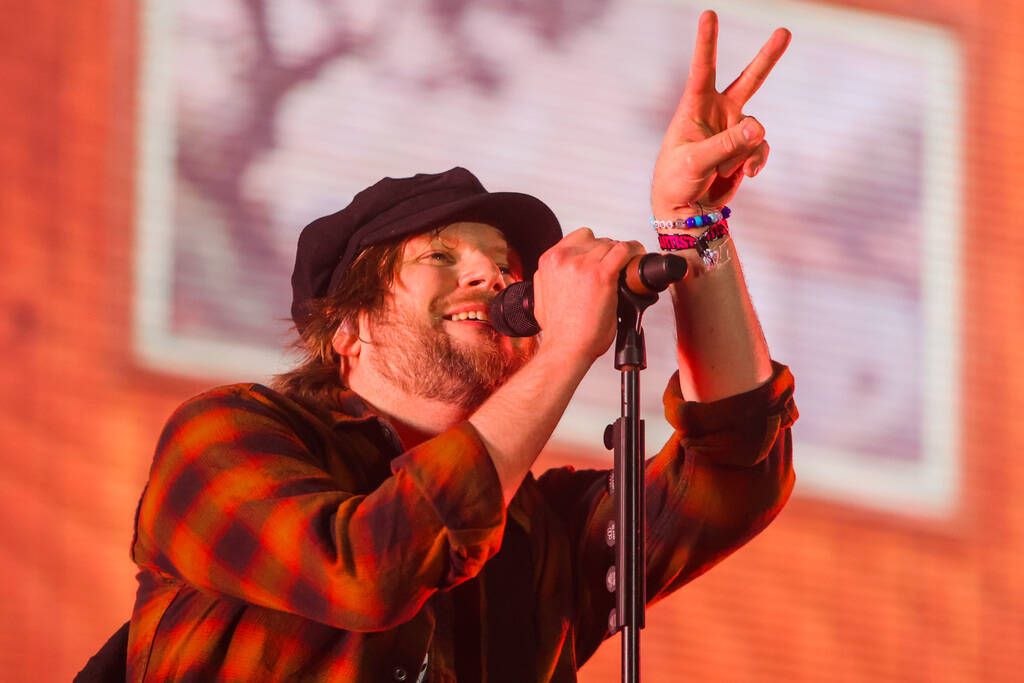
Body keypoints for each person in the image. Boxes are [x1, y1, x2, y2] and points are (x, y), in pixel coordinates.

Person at [121, 10, 797, 683]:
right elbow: (369, 568)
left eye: (505, 261)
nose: (492, 274)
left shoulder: (540, 531)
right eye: (441, 255)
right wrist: (564, 353)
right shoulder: (223, 436)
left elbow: (735, 471)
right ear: (345, 329)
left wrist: (693, 225)